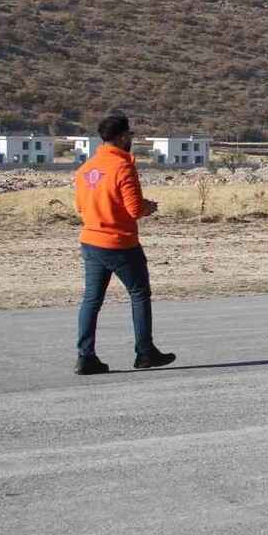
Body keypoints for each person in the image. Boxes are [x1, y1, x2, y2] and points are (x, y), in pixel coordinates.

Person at [73, 114, 176, 374]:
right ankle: (145, 351)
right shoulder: (123, 167)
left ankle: (85, 356)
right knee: (139, 294)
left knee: (91, 299)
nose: (131, 139)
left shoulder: (86, 168)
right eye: (129, 134)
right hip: (119, 242)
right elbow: (133, 209)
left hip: (91, 240)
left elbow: (79, 206)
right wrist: (148, 207)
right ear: (121, 137)